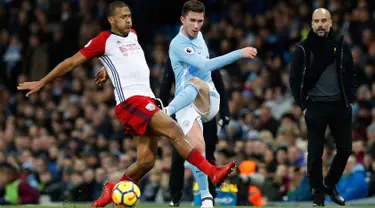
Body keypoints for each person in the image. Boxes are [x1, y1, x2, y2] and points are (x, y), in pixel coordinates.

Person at [17, 1, 236, 207]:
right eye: (123, 17)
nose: (128, 20)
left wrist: (107, 69)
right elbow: (71, 62)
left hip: (148, 99)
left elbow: (124, 62)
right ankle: (212, 172)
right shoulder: (102, 40)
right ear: (111, 20)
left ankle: (112, 190)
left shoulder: (132, 34)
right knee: (174, 129)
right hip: (131, 102)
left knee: (147, 161)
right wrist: (42, 82)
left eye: (129, 16)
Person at [161, 1, 256, 207]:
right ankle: (206, 198)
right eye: (192, 20)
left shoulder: (199, 36)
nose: (196, 25)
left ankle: (167, 110)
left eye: (200, 21)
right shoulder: (178, 44)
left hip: (208, 98)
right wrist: (239, 52)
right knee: (197, 148)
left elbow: (207, 68)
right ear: (182, 20)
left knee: (195, 82)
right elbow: (204, 64)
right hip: (186, 104)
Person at [289, 8, 357, 207]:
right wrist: (303, 105)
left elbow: (352, 72)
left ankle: (329, 183)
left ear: (330, 22)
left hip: (340, 105)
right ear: (311, 24)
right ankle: (318, 196)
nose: (320, 24)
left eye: (324, 20)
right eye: (317, 21)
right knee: (315, 155)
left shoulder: (342, 46)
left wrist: (350, 98)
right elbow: (294, 80)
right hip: (315, 107)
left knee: (345, 150)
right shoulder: (302, 49)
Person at [160, 59, 230, 207]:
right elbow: (165, 86)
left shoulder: (208, 59)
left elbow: (220, 88)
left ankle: (210, 196)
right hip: (182, 111)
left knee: (208, 154)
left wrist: (225, 112)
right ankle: (175, 197)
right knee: (179, 155)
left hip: (205, 113)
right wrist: (160, 109)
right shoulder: (174, 60)